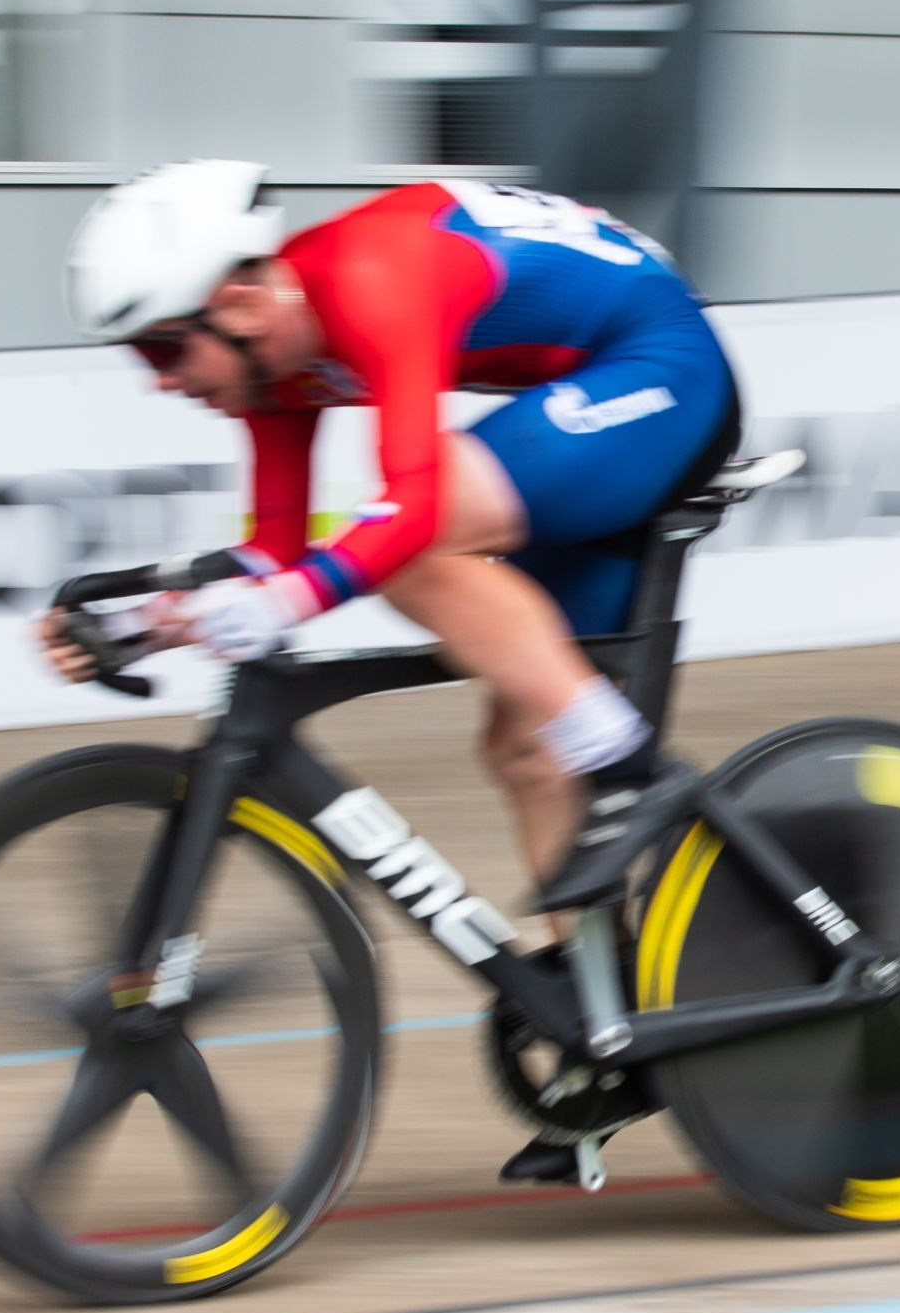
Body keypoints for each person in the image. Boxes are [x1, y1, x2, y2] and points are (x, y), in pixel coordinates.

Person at [44, 161, 740, 1180]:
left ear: (239, 296)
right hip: (581, 398)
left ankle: (630, 765)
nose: (157, 377)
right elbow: (276, 551)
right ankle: (607, 1033)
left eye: (162, 343)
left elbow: (404, 510)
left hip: (662, 370)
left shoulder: (374, 274)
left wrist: (281, 599)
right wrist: (157, 626)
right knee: (521, 745)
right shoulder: (270, 368)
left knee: (410, 539)